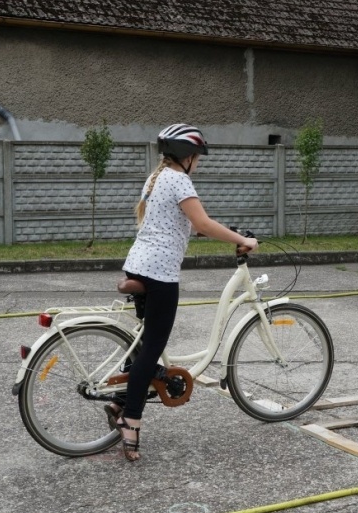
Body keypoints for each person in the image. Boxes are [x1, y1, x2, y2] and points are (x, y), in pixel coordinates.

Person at [105, 123, 258, 461]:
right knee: (152, 350)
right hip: (159, 272)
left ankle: (119, 401)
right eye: (198, 157)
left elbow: (185, 223)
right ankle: (131, 421)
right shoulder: (179, 179)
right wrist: (242, 240)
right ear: (187, 157)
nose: (199, 163)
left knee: (145, 343)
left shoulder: (157, 176)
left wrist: (229, 232)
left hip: (138, 264)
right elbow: (201, 223)